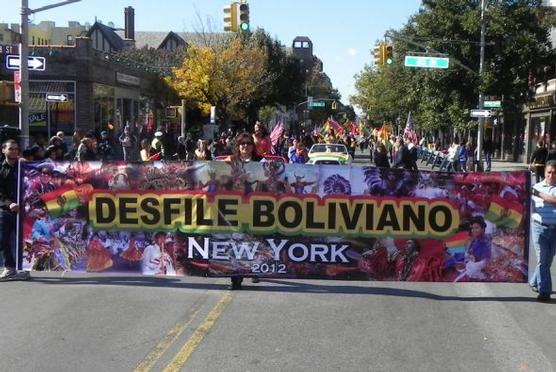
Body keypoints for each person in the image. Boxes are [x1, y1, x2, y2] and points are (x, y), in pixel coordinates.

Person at [226, 132, 262, 290]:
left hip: (255, 206)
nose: (245, 146)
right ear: (238, 146)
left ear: (253, 146)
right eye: (242, 143)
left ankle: (254, 270)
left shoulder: (260, 162)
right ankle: (236, 279)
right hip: (235, 207)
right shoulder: (232, 161)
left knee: (253, 240)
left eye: (248, 143)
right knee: (236, 241)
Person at [530, 160, 556, 302]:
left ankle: (534, 282)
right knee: (543, 259)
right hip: (539, 228)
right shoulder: (536, 187)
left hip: (555, 230)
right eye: (549, 172)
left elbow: (553, 199)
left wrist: (538, 194)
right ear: (544, 173)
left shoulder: (536, 190)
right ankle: (545, 291)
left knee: (546, 261)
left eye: (554, 173)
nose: (551, 175)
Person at [0, 140, 21, 279]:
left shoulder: (24, 166)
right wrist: (9, 204)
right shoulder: (1, 169)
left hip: (23, 211)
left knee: (27, 241)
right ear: (3, 150)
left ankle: (25, 268)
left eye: (16, 149)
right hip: (5, 210)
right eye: (10, 149)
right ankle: (9, 268)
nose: (13, 151)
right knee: (2, 240)